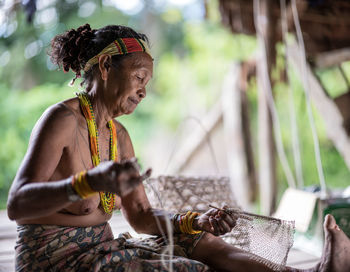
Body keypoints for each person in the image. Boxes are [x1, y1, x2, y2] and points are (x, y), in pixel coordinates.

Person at [7, 23, 350, 272]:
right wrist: (89, 183)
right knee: (187, 269)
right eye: (139, 77)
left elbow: (140, 217)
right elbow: (17, 205)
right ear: (106, 67)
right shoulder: (62, 120)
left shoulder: (118, 135)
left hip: (102, 246)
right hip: (54, 259)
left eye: (148, 83)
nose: (144, 91)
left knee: (200, 243)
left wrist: (195, 220)